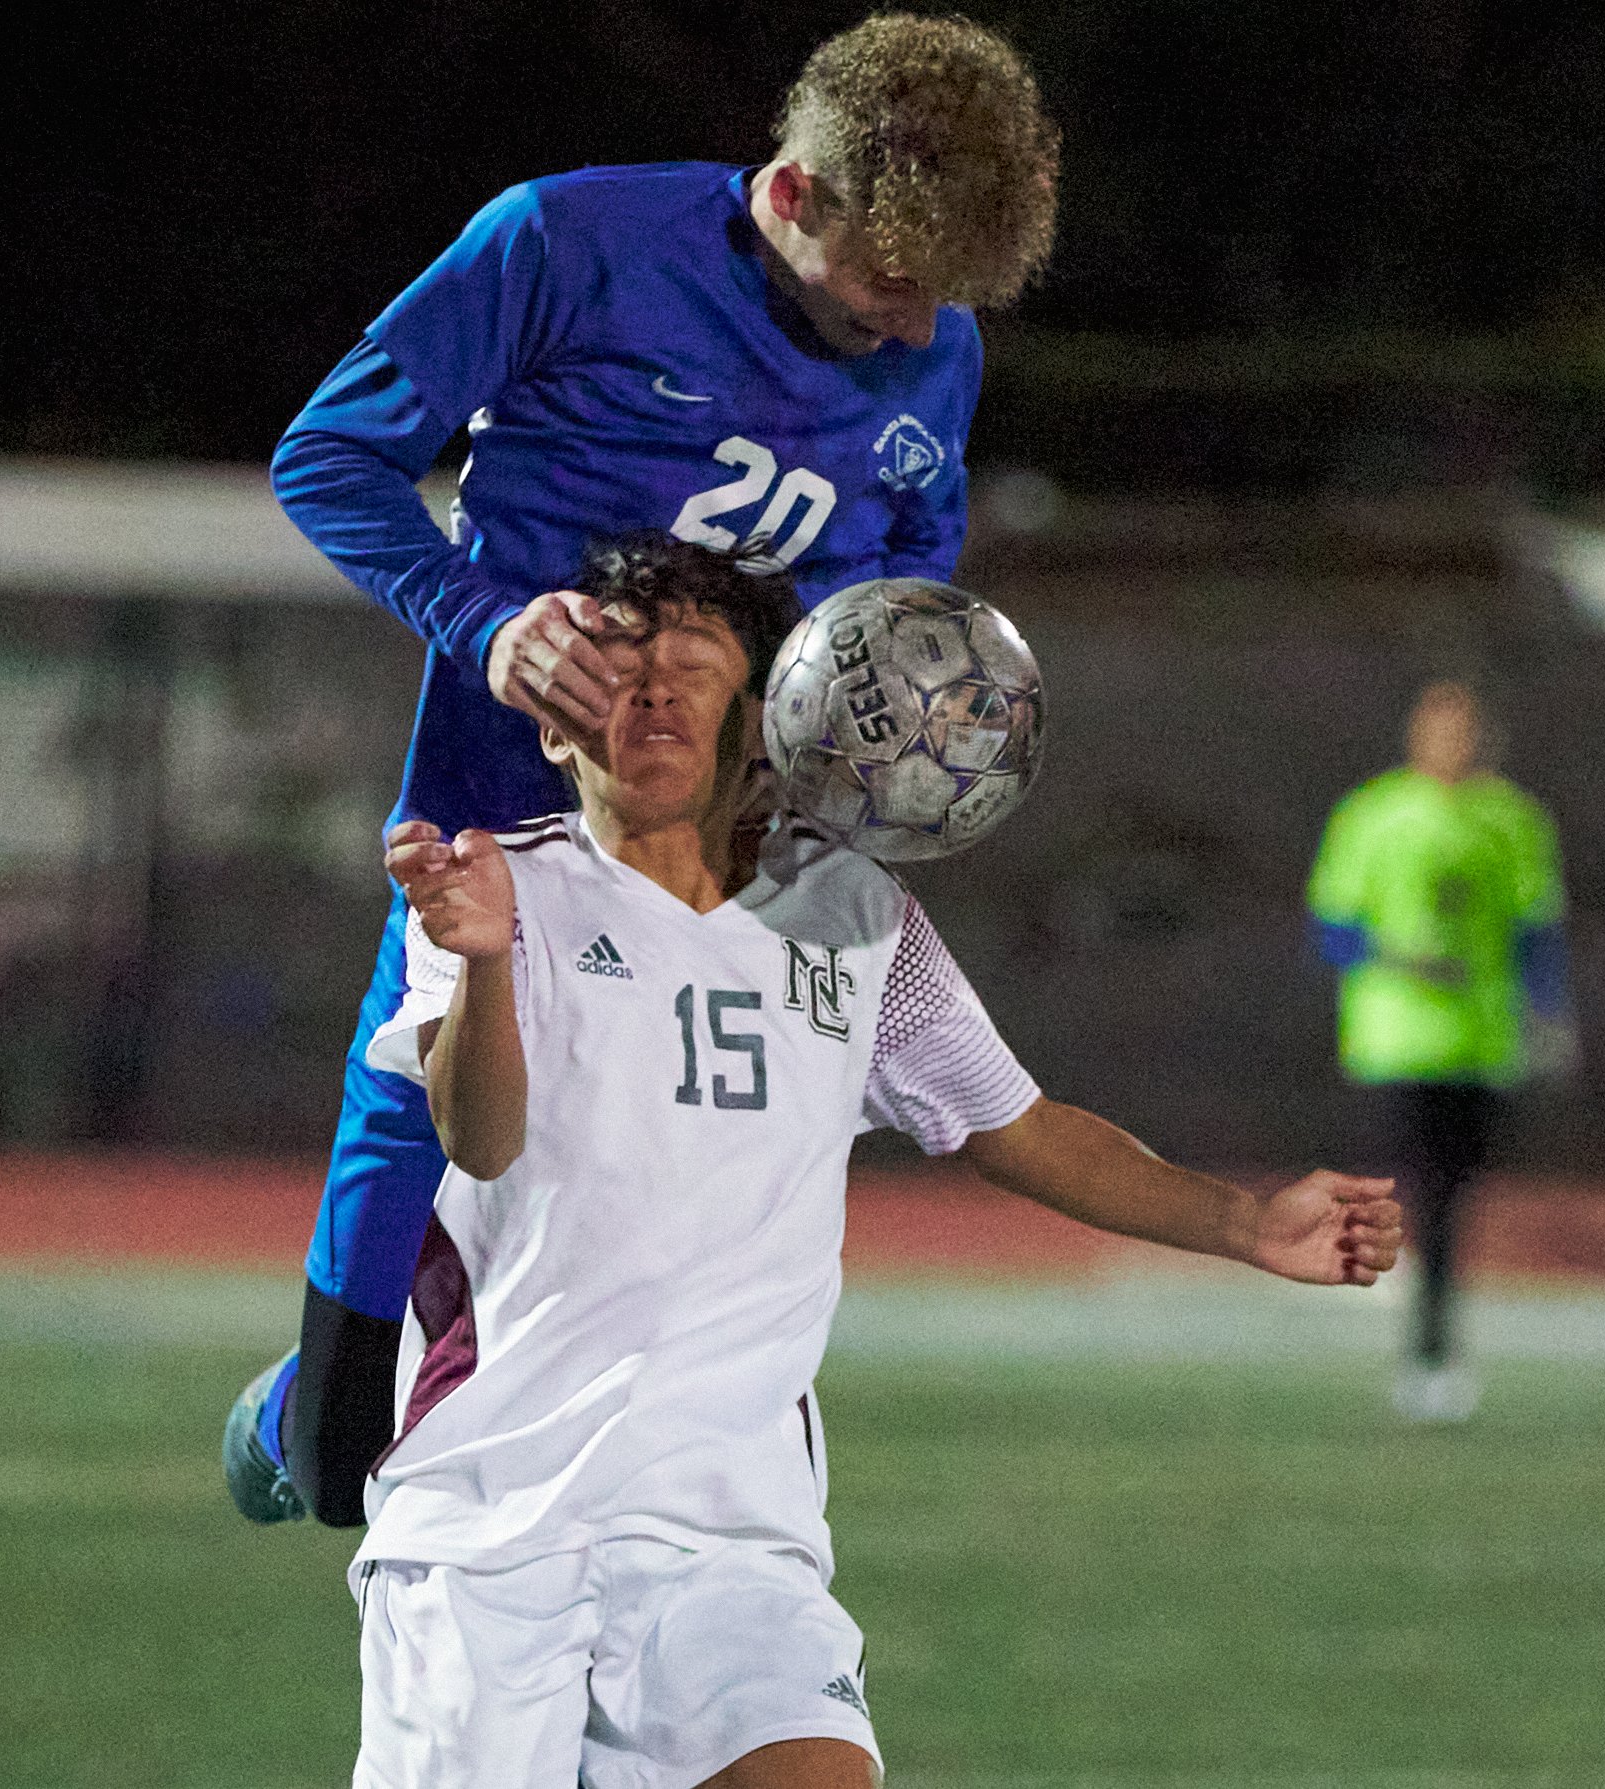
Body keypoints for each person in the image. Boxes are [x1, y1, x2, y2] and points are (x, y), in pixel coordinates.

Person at [358, 530, 1401, 1788]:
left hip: (728, 1539)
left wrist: (1240, 1223)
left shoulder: (853, 919)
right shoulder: (493, 890)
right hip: (490, 1522)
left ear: (766, 724)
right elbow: (480, 1135)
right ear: (550, 725)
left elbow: (1012, 1123)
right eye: (617, 665)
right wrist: (477, 957)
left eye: (694, 664)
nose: (652, 689)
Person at [226, 13, 1065, 1526]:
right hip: (507, 801)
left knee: (648, 1225)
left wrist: (904, 730)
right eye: (891, 283)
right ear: (794, 197)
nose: (912, 326)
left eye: (944, 296)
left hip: (728, 844)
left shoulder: (935, 345)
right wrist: (485, 626)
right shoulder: (566, 240)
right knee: (351, 1423)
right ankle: (308, 1405)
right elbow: (327, 459)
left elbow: (890, 589)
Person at [1307, 679, 1571, 1422]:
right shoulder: (1374, 814)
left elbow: (1535, 930)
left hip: (1481, 1042)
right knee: (1410, 1190)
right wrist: (1401, 960)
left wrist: (1549, 1016)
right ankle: (1423, 1339)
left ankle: (1431, 1340)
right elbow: (1332, 929)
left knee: (1452, 1197)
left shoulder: (1513, 821)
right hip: (1396, 1041)